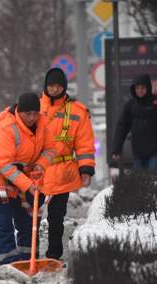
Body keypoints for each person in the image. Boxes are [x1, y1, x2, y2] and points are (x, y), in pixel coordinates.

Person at [0, 92, 55, 265]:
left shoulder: (43, 125)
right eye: (27, 113)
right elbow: (5, 165)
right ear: (18, 112)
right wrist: (27, 184)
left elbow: (50, 149)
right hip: (1, 182)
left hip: (28, 180)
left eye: (35, 113)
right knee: (2, 225)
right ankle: (8, 265)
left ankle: (29, 260)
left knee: (28, 223)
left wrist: (40, 165)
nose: (31, 118)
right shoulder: (5, 129)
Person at [39, 68, 96, 261]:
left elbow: (84, 142)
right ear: (45, 86)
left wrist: (86, 168)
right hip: (36, 171)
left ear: (64, 86)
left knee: (56, 216)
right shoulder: (35, 108)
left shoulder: (77, 111)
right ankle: (28, 253)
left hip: (62, 171)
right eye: (51, 86)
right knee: (30, 216)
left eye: (58, 86)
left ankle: (54, 254)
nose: (54, 89)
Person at [112, 73, 157, 171]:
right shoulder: (130, 105)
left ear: (148, 88)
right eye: (137, 88)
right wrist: (116, 149)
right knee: (140, 179)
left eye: (142, 88)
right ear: (134, 89)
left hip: (156, 148)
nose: (140, 91)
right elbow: (122, 126)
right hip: (138, 150)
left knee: (153, 175)